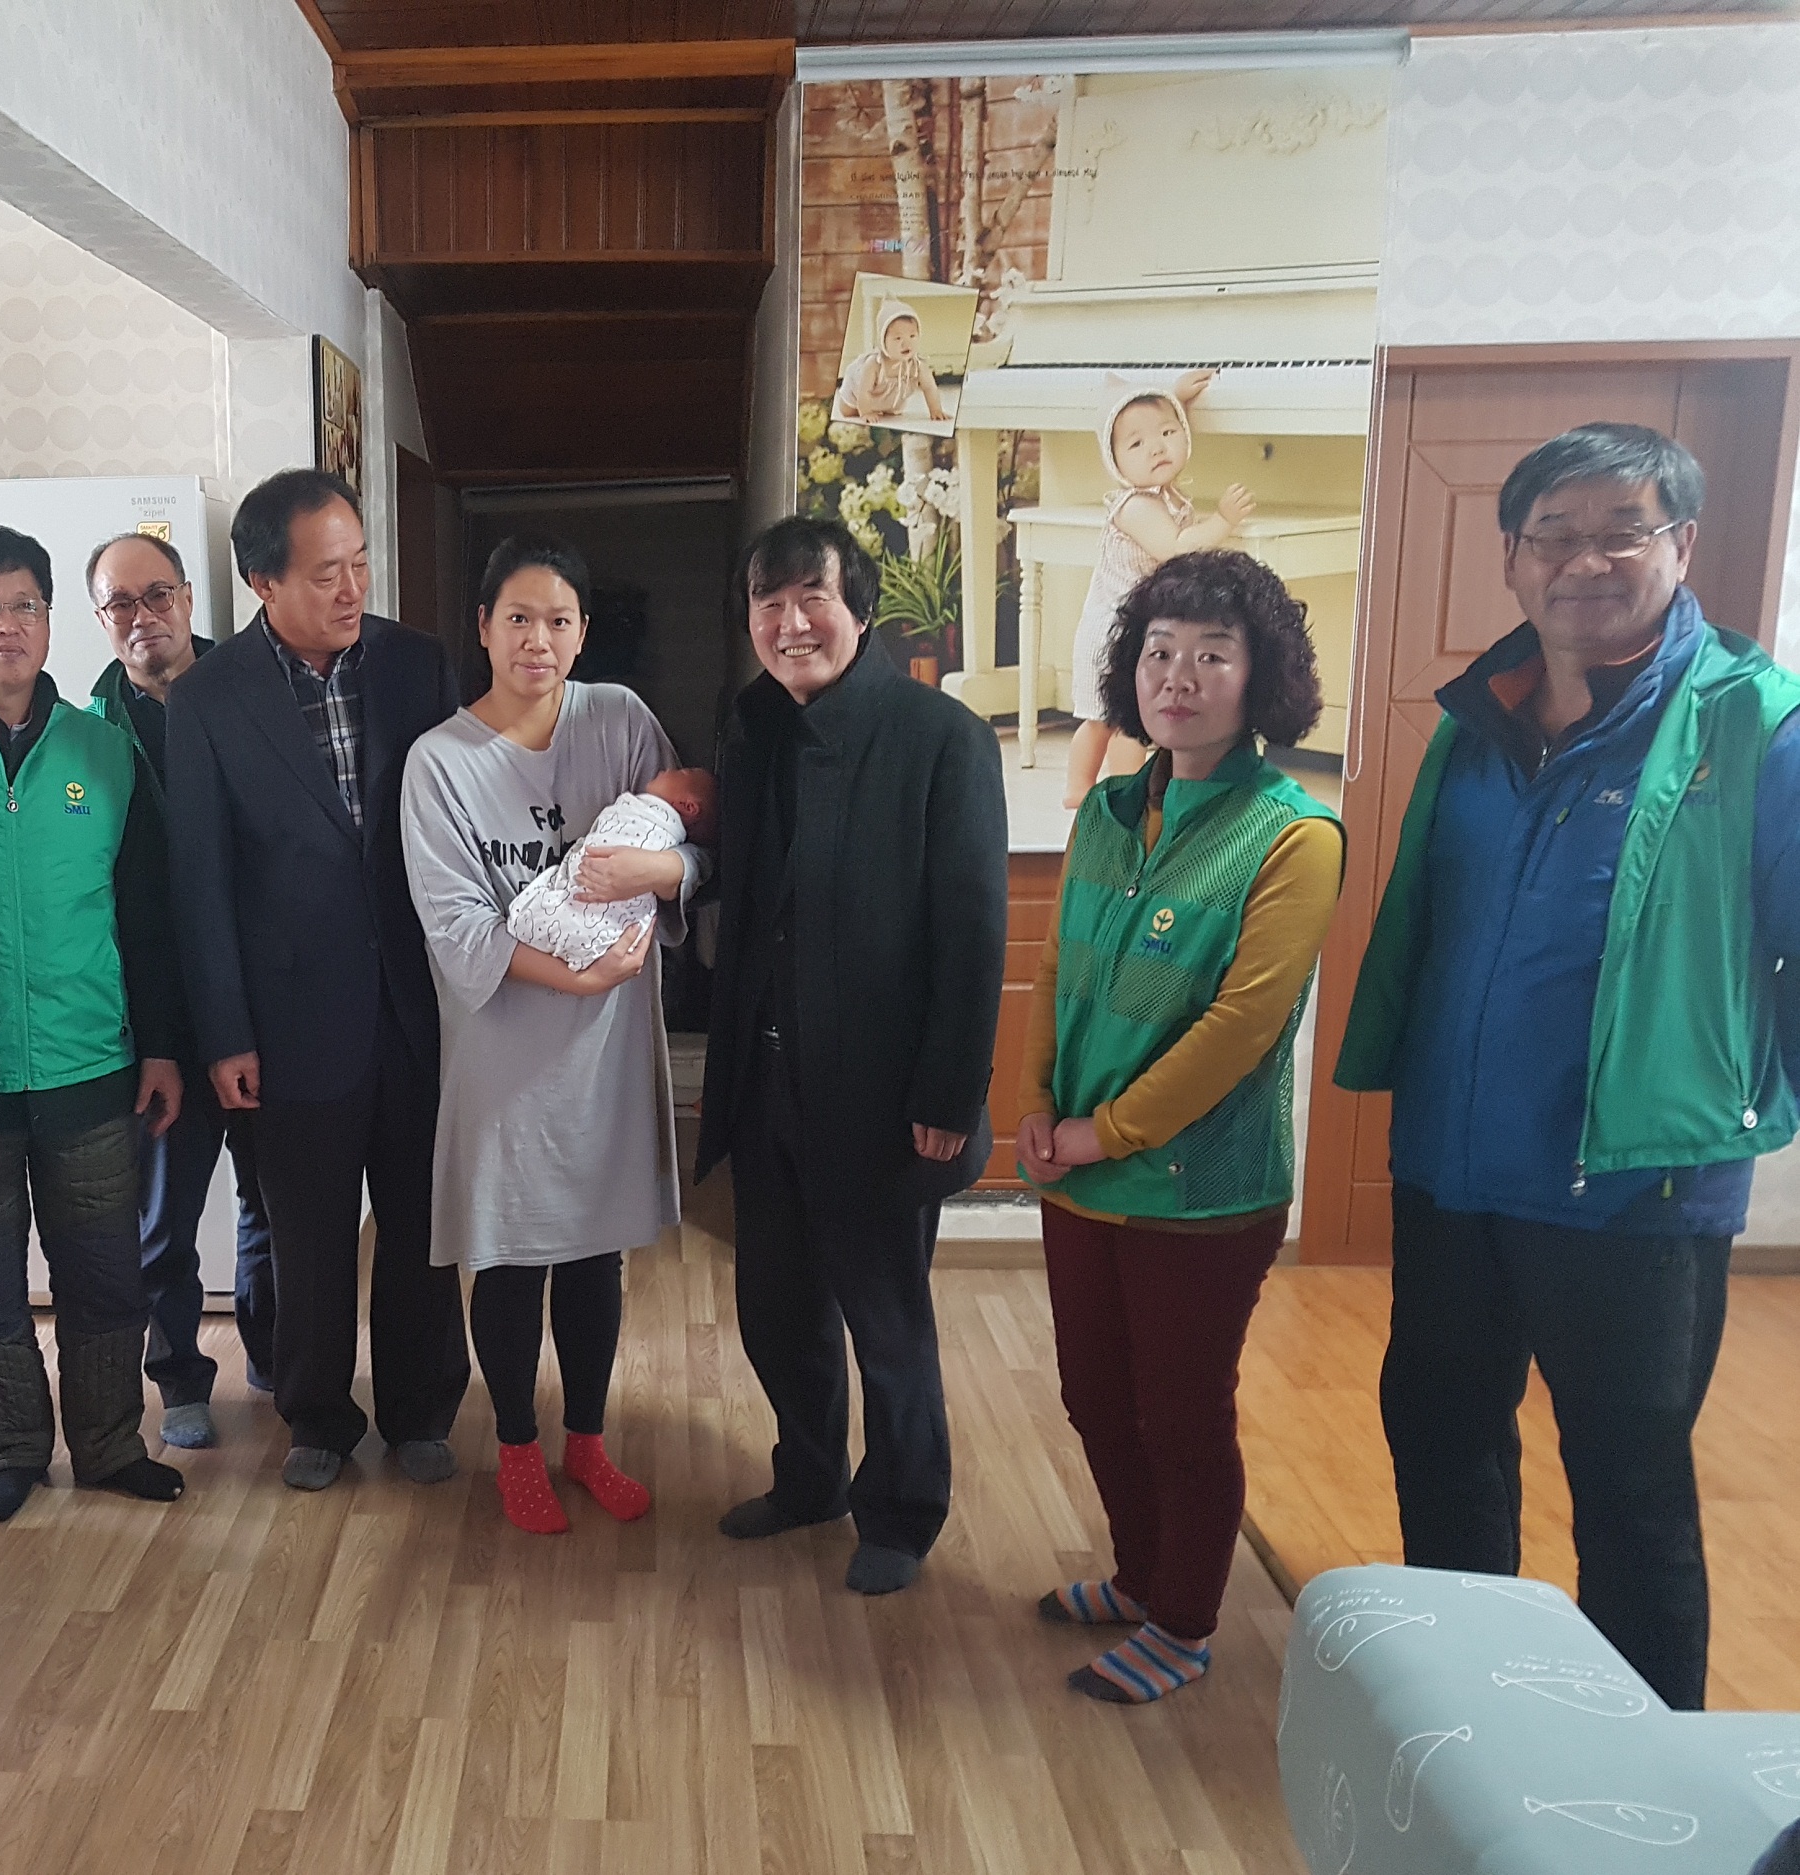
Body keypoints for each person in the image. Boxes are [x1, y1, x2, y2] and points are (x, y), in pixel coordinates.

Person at [1335, 422, 1800, 1714]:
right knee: (1440, 1431)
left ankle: (1642, 1764)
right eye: (1553, 534)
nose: (1584, 561)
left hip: (1634, 1183)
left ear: (1681, 545)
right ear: (1511, 556)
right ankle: (1469, 1713)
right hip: (1453, 1165)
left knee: (1629, 1483)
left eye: (1621, 532)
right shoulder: (1474, 722)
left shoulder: (1756, 727)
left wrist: (1744, 1104)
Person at [1014, 550, 1341, 1704]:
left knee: (1181, 1416)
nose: (1179, 677)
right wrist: (1039, 1106)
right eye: (1159, 652)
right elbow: (1055, 969)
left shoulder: (1293, 835)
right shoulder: (1108, 811)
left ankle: (1186, 1621)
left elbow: (1240, 1028)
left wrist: (1104, 1133)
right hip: (1078, 1169)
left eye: (1212, 654)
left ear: (1261, 678)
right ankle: (1140, 1575)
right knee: (1095, 1399)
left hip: (1201, 1189)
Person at [694, 515, 1009, 1595]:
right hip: (765, 1077)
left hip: (882, 1093)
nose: (790, 624)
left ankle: (902, 1512)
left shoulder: (940, 737)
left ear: (859, 609)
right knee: (776, 1307)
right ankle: (809, 1477)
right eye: (768, 603)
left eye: (811, 599)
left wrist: (949, 1095)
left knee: (886, 1317)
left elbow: (973, 932)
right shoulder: (752, 726)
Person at [167, 468, 470, 1492]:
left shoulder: (417, 664)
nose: (352, 588)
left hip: (419, 1006)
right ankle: (317, 1416)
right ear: (263, 582)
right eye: (325, 573)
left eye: (360, 564)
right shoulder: (209, 698)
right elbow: (200, 879)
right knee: (306, 1233)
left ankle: (423, 1408)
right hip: (289, 1017)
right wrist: (224, 1034)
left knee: (422, 1222)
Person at [0, 524, 188, 1523]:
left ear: (52, 620)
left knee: (105, 1277)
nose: (7, 625)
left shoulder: (105, 749)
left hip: (91, 1062)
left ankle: (109, 1445)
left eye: (25, 605)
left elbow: (144, 915)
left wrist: (160, 1045)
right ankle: (11, 1451)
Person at [401, 537, 700, 1534]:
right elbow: (455, 926)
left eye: (559, 620)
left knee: (593, 1253)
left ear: (582, 634)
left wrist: (661, 875)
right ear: (483, 627)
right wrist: (581, 971)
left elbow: (689, 838)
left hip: (604, 1051)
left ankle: (588, 1442)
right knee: (511, 1253)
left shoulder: (619, 720)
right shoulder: (440, 762)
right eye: (519, 618)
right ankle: (518, 1450)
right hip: (503, 1051)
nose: (538, 639)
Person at [85, 530, 276, 1445]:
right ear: (100, 618)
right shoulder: (89, 735)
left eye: (157, 594)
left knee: (270, 1200)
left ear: (190, 597)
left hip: (257, 1002)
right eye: (121, 602)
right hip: (153, 1021)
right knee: (162, 1218)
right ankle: (180, 1378)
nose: (143, 616)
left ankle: (273, 1353)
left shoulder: (250, 696)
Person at [1062, 372, 1253, 810]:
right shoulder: (1136, 506)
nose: (1156, 448)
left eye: (1168, 433)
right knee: (1121, 720)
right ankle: (1111, 788)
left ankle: (1085, 786)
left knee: (1104, 718)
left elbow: (1156, 426)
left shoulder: (1161, 497)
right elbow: (1176, 549)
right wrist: (1223, 520)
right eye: (1136, 444)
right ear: (1115, 463)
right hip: (1112, 630)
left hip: (1131, 625)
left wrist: (1175, 398)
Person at [506, 764, 715, 970]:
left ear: (689, 807)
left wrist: (661, 869)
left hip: (610, 931)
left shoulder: (657, 824)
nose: (669, 769)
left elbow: (706, 862)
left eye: (682, 772)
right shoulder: (640, 804)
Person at [834, 300, 948, 426]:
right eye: (898, 338)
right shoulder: (875, 364)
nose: (906, 343)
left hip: (890, 402)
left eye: (912, 336)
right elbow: (864, 391)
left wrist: (936, 410)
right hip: (858, 398)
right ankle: (862, 409)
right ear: (883, 341)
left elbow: (930, 388)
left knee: (891, 415)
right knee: (848, 412)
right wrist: (866, 412)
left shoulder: (918, 365)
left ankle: (882, 407)